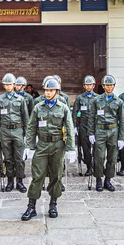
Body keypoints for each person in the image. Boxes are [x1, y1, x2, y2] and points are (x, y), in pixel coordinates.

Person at [21, 78, 76, 220]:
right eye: (46, 90)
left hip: (58, 145)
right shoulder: (38, 107)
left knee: (56, 176)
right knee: (37, 176)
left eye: (51, 90)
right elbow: (31, 127)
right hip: (42, 145)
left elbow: (69, 128)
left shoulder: (63, 107)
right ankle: (31, 207)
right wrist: (29, 146)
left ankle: (53, 204)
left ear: (57, 92)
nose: (48, 93)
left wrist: (71, 148)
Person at [0, 73, 29, 193]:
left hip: (18, 130)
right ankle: (10, 181)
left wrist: (27, 134)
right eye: (6, 84)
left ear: (14, 85)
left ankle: (20, 181)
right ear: (4, 85)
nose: (8, 86)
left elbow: (25, 117)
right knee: (7, 158)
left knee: (19, 158)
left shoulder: (21, 99)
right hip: (5, 131)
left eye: (10, 84)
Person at [88, 75, 124, 192]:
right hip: (100, 131)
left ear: (114, 86)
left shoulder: (119, 102)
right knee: (99, 157)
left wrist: (122, 138)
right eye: (107, 85)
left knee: (112, 158)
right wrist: (91, 133)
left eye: (111, 85)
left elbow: (122, 120)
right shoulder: (96, 100)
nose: (109, 87)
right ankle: (99, 179)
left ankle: (108, 180)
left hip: (113, 131)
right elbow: (91, 118)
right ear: (103, 86)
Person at [72, 75, 97, 176]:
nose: (88, 86)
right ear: (84, 86)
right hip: (83, 125)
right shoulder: (80, 98)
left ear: (93, 86)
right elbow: (75, 112)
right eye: (86, 85)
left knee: (96, 148)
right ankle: (89, 166)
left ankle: (96, 165)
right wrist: (74, 126)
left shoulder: (98, 97)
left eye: (90, 84)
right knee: (85, 148)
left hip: (95, 126)